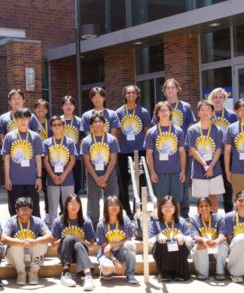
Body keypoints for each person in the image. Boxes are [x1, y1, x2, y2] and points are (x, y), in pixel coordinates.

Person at [116, 85, 152, 217]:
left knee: (141, 182)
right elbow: (117, 133)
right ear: (124, 95)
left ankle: (140, 209)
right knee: (123, 183)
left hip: (140, 151)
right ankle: (126, 210)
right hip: (123, 152)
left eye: (133, 93)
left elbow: (147, 132)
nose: (131, 95)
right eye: (128, 93)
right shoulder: (119, 113)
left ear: (137, 95)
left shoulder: (143, 112)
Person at [2, 107, 45, 217]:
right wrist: (7, 177)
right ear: (16, 119)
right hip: (14, 180)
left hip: (31, 179)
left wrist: (39, 177)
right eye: (20, 118)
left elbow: (38, 158)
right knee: (14, 208)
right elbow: (6, 158)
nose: (23, 121)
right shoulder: (9, 136)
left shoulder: (35, 137)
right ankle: (15, 231)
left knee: (34, 208)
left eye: (26, 118)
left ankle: (35, 232)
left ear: (29, 119)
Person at [163, 79, 197, 216]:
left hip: (182, 149)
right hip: (165, 151)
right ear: (164, 92)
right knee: (167, 181)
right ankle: (169, 212)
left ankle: (183, 212)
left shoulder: (185, 107)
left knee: (183, 180)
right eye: (168, 88)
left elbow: (190, 127)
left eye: (173, 88)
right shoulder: (161, 106)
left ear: (178, 89)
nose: (170, 90)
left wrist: (189, 146)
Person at [1, 197, 53, 285]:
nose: (25, 212)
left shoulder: (37, 221)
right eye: (22, 209)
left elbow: (50, 237)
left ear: (31, 211)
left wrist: (36, 242)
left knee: (41, 241)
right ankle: (21, 273)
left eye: (28, 209)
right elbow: (3, 238)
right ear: (17, 211)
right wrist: (20, 242)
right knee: (15, 242)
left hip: (32, 256)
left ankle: (34, 272)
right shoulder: (11, 221)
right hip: (15, 258)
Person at [80, 111, 120, 221]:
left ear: (104, 124)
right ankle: (94, 224)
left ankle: (111, 222)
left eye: (100, 121)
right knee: (93, 201)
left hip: (109, 173)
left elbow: (113, 160)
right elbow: (86, 161)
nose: (98, 124)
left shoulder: (112, 139)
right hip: (93, 174)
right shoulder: (86, 141)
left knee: (112, 200)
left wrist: (105, 177)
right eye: (95, 122)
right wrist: (97, 178)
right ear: (91, 125)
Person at [145, 101, 186, 203]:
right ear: (157, 114)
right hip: (159, 173)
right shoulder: (151, 132)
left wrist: (183, 171)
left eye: (166, 110)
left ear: (170, 112)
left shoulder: (178, 131)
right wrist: (152, 172)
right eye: (161, 110)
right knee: (161, 202)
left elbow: (182, 152)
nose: (164, 113)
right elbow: (149, 154)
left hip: (176, 172)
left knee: (176, 202)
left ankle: (176, 219)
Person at [186, 100, 225, 207]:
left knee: (213, 196)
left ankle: (214, 221)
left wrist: (211, 166)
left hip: (215, 168)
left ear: (212, 113)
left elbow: (218, 149)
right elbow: (192, 150)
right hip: (199, 169)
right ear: (198, 113)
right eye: (202, 110)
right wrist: (205, 165)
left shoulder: (217, 130)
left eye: (208, 110)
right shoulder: (192, 130)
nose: (205, 112)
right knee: (202, 199)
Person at [53, 194, 96, 290]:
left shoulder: (86, 221)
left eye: (76, 203)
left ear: (80, 206)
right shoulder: (58, 221)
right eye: (71, 203)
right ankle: (65, 273)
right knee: (69, 239)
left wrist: (81, 240)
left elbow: (92, 246)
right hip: (64, 254)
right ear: (66, 206)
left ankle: (88, 276)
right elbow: (53, 245)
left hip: (80, 254)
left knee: (78, 244)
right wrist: (66, 238)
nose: (74, 206)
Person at [208, 88, 238, 212]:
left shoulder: (231, 115)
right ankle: (212, 211)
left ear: (224, 99)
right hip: (212, 154)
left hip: (227, 153)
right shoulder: (208, 114)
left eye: (220, 97)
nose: (218, 100)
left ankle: (229, 210)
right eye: (215, 97)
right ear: (211, 99)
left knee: (228, 183)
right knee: (212, 183)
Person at [44, 116, 79, 223]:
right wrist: (53, 176)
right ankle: (54, 230)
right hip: (52, 179)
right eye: (54, 125)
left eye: (59, 124)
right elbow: (45, 161)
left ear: (63, 126)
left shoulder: (69, 142)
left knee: (68, 206)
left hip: (67, 179)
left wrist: (63, 175)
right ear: (51, 127)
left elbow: (72, 160)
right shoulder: (47, 142)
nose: (57, 127)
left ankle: (68, 227)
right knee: (53, 207)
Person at [149, 196, 192, 281]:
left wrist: (182, 237)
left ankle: (179, 272)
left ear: (175, 208)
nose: (168, 209)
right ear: (160, 208)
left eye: (171, 206)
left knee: (180, 241)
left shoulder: (182, 221)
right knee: (161, 242)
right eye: (165, 206)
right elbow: (149, 242)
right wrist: (158, 236)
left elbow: (190, 242)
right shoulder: (155, 222)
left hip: (179, 251)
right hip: (162, 251)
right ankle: (164, 273)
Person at [96, 196, 138, 284]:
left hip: (121, 252)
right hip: (107, 254)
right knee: (107, 270)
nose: (114, 207)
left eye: (116, 205)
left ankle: (130, 274)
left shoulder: (125, 220)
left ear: (120, 207)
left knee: (130, 245)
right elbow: (105, 248)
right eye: (111, 205)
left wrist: (112, 244)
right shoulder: (101, 224)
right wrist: (115, 261)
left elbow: (129, 239)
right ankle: (106, 269)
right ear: (106, 208)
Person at [189, 198, 226, 280]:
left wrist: (216, 241)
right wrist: (203, 240)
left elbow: (222, 235)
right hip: (202, 249)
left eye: (206, 206)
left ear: (211, 207)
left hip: (215, 248)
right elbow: (195, 236)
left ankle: (220, 272)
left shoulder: (219, 218)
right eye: (201, 206)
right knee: (200, 244)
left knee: (221, 246)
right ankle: (202, 273)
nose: (204, 208)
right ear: (198, 209)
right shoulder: (194, 219)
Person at [58, 96, 86, 195]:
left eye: (71, 104)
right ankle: (63, 209)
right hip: (60, 158)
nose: (68, 106)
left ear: (74, 107)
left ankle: (75, 206)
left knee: (76, 183)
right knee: (61, 183)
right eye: (65, 104)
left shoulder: (80, 121)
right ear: (62, 107)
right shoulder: (57, 121)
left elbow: (82, 139)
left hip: (76, 157)